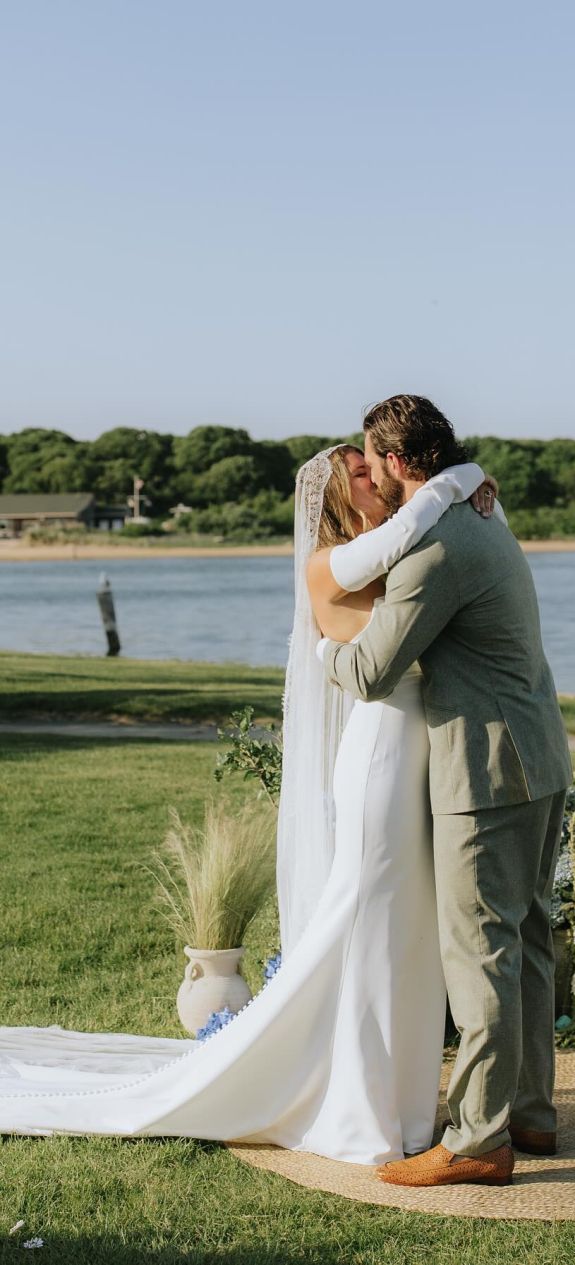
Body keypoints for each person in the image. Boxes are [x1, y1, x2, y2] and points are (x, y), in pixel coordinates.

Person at [0, 442, 492, 1166]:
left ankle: (407, 1105)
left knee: (410, 930)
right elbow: (406, 573)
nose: (377, 477)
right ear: (335, 497)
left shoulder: (393, 547)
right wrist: (460, 482)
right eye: (361, 472)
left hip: (421, 749)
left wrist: (470, 492)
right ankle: (363, 1110)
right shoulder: (333, 564)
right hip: (384, 752)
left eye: (375, 466)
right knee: (371, 921)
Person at [318, 394, 573, 1189]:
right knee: (527, 939)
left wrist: (316, 648)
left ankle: (476, 1139)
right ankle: (530, 1112)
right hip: (539, 755)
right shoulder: (482, 514)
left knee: (480, 950)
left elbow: (371, 670)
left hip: (487, 769)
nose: (371, 476)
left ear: (398, 462)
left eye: (373, 461)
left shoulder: (435, 549)